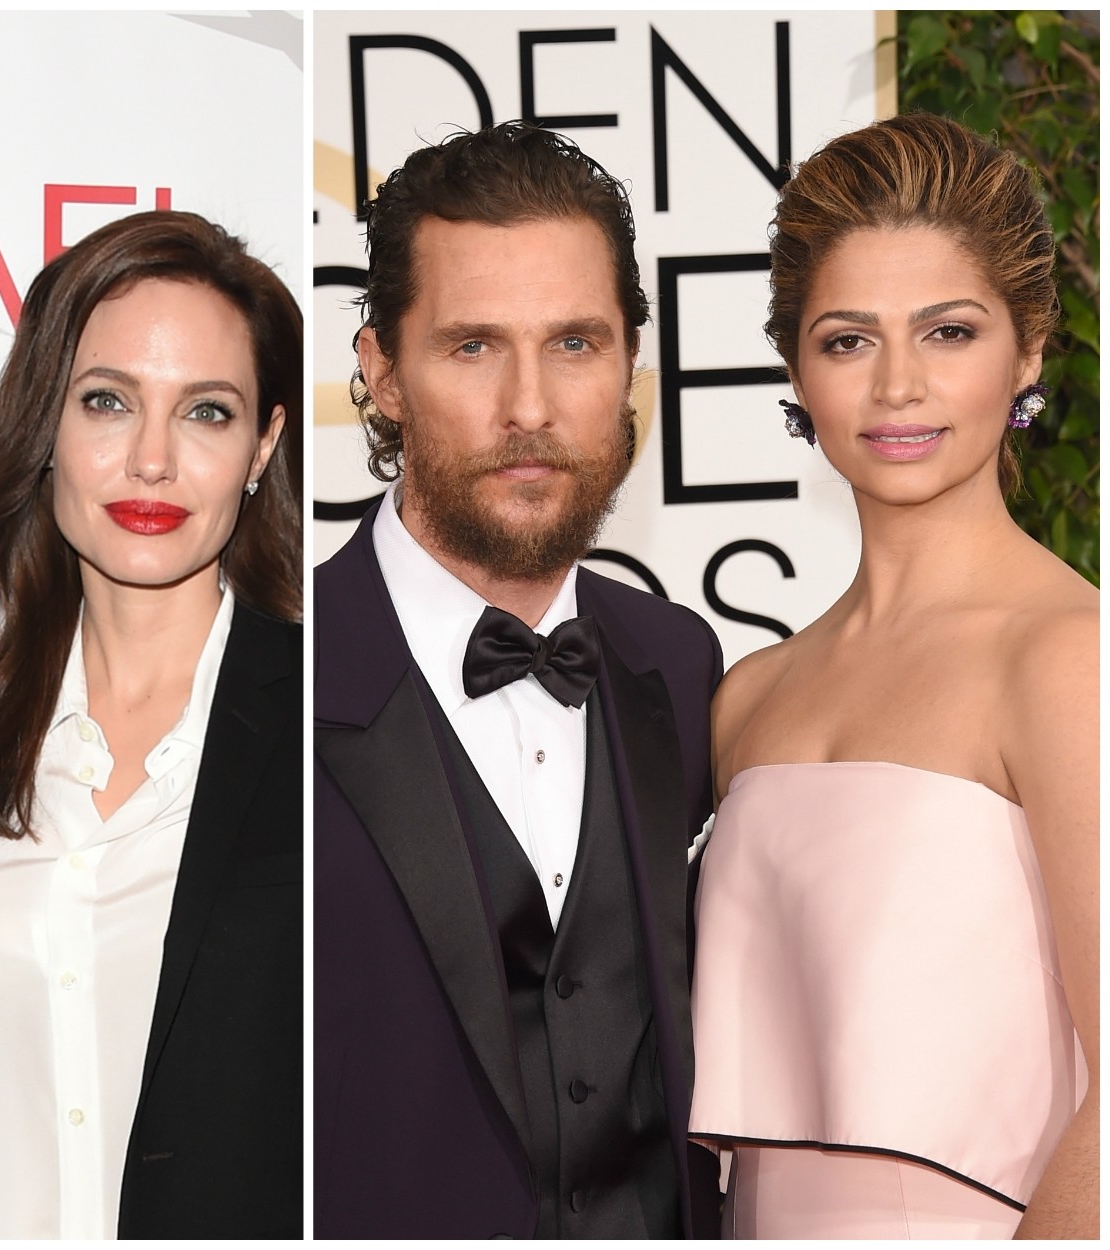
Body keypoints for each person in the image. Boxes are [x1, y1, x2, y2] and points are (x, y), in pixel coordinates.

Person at [688, 113, 1098, 1239]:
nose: (899, 385)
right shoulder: (750, 694)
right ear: (797, 371)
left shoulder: (1066, 658)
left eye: (950, 332)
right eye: (849, 339)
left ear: (1028, 351)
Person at [313, 121, 725, 1237]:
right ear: (382, 374)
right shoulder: (268, 672)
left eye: (576, 344)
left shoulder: (681, 665)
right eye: (472, 346)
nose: (531, 406)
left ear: (631, 362)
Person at [0, 211, 302, 1239]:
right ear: (47, 422)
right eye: (107, 401)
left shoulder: (339, 733)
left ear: (263, 442)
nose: (151, 459)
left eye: (207, 413)